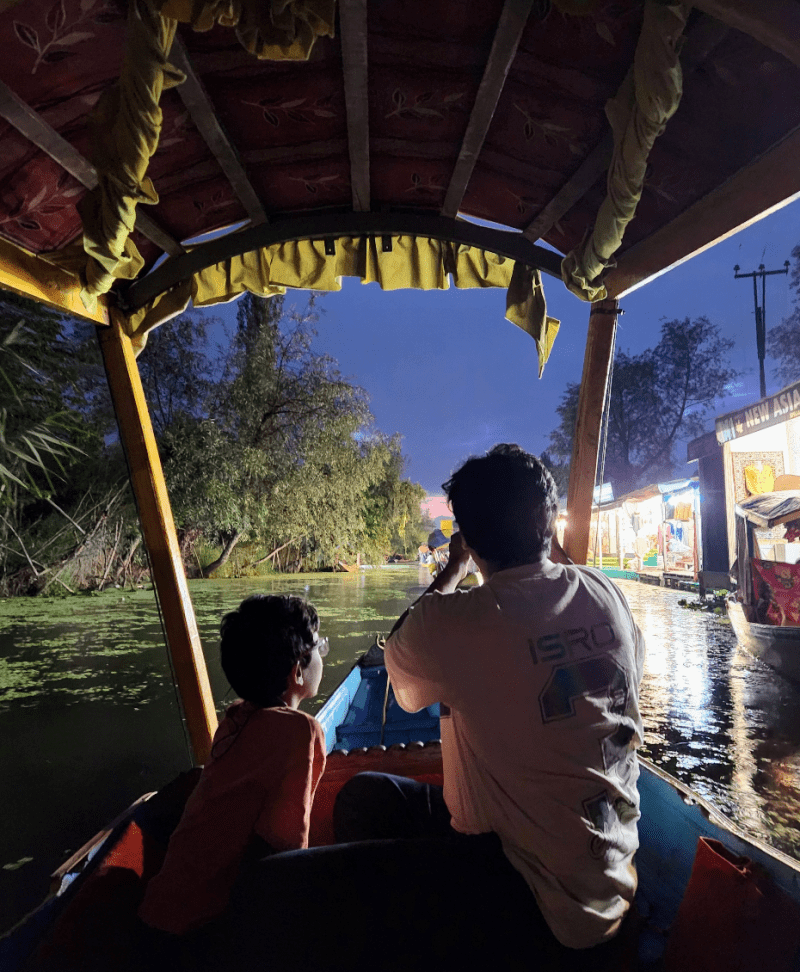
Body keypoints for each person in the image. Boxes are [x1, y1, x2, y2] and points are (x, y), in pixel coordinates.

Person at [224, 444, 645, 971]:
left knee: (291, 871)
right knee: (367, 795)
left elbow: (402, 675)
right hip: (612, 881)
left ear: (467, 538)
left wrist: (452, 570)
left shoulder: (460, 620)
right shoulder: (609, 595)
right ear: (549, 522)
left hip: (525, 894)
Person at [137, 594, 328, 943]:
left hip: (157, 917)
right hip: (207, 931)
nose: (323, 656)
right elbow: (288, 849)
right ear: (298, 668)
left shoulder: (236, 718)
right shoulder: (301, 731)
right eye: (320, 647)